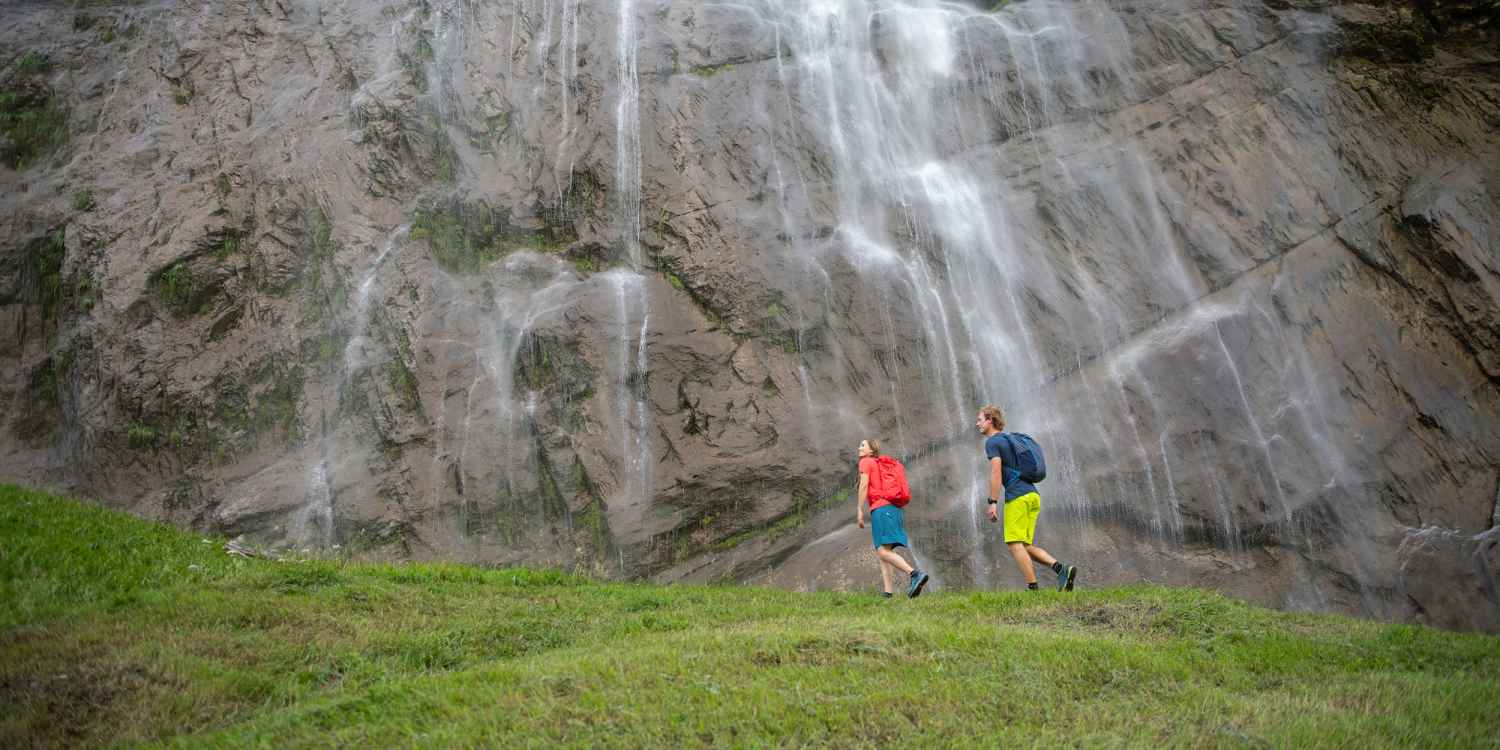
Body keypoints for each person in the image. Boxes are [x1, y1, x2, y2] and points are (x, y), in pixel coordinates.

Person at [975, 405, 1077, 591]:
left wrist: (992, 502)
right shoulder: (1011, 439)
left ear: (990, 420)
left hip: (1018, 497)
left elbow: (996, 473)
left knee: (1014, 543)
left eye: (980, 420)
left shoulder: (993, 442)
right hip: (1032, 495)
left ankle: (1033, 588)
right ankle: (1062, 570)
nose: (977, 424)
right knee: (1025, 545)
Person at [855, 438, 930, 598]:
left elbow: (863, 485)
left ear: (871, 451)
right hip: (893, 509)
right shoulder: (881, 465)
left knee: (883, 552)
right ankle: (888, 592)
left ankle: (914, 574)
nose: (859, 448)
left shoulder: (866, 462)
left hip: (881, 509)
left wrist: (860, 509)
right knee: (883, 551)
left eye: (862, 445)